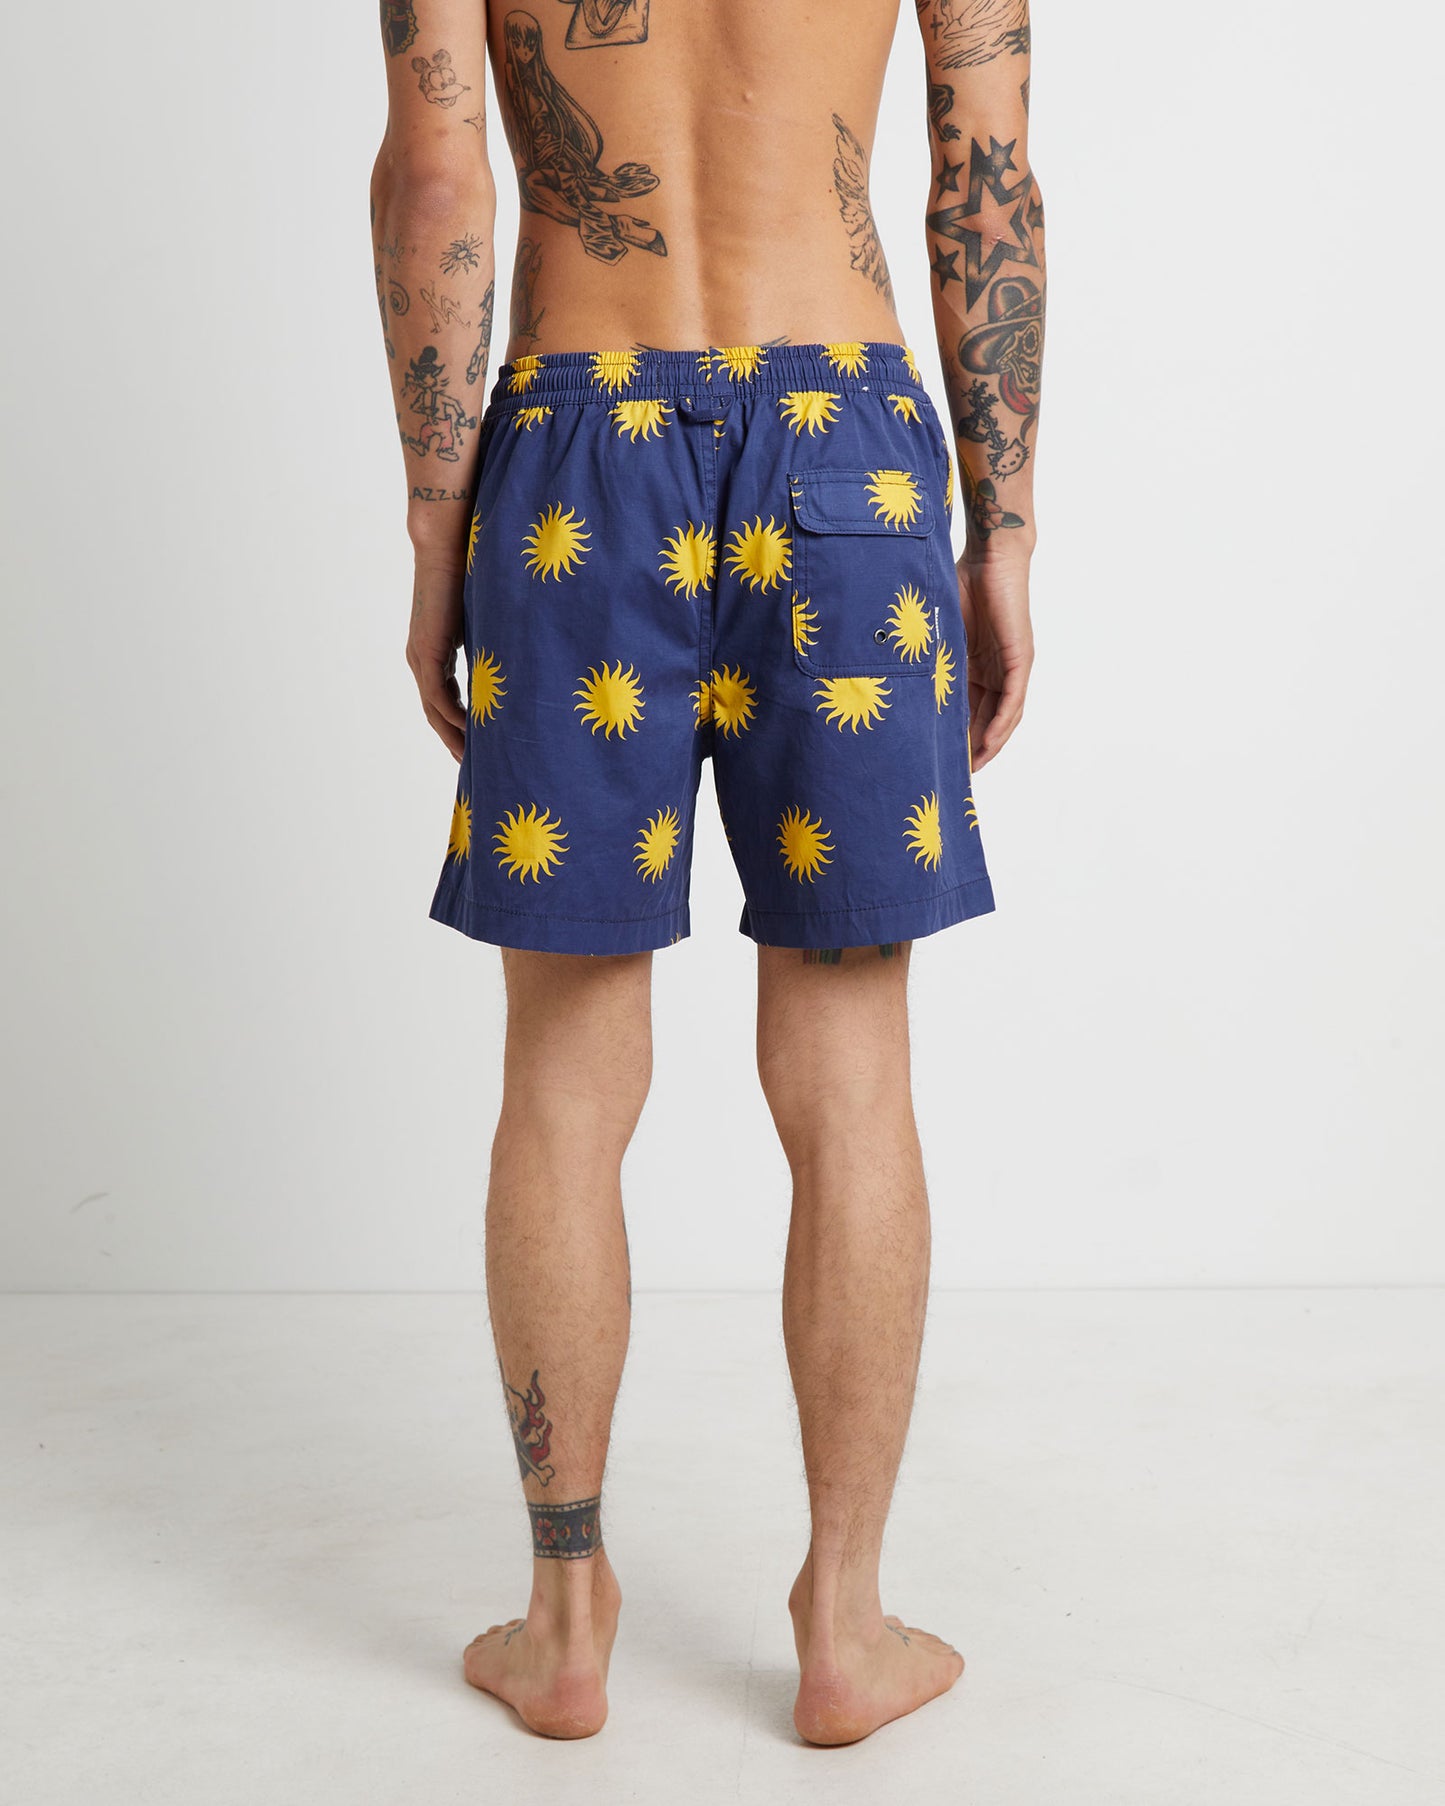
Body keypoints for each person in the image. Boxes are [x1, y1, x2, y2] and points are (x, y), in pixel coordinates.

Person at [370, 0, 1042, 1746]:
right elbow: (984, 175)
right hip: (844, 450)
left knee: (562, 1069)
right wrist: (1003, 530)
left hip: (574, 455)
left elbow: (438, 174)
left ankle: (562, 1614)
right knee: (851, 1071)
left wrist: (437, 532)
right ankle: (847, 1618)